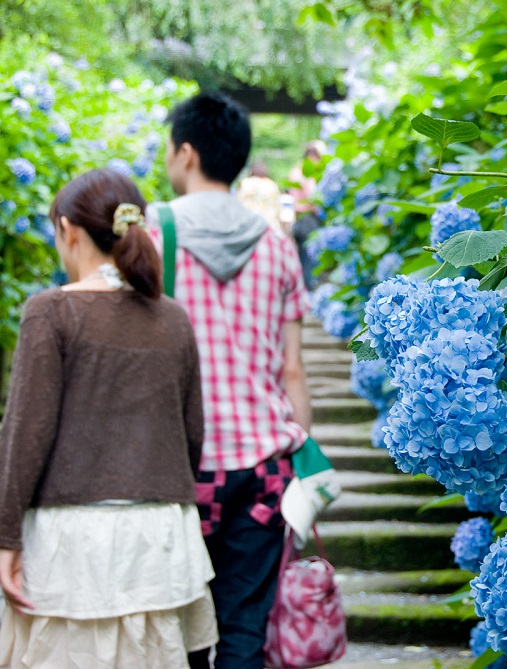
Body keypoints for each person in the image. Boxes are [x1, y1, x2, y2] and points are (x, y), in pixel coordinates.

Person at [0, 169, 216, 668]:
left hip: (71, 544)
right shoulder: (172, 317)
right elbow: (192, 436)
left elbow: (25, 435)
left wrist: (7, 534)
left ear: (67, 229)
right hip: (162, 538)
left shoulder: (50, 312)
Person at [147, 91, 313, 669]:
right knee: (245, 626)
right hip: (264, 465)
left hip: (178, 467)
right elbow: (293, 367)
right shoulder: (276, 245)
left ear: (186, 153)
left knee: (181, 625)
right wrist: (302, 458)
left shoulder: (150, 234)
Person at [287, 140, 325, 289]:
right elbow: (313, 196)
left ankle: (301, 291)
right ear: (315, 155)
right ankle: (307, 293)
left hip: (298, 220)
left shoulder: (295, 170)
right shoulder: (308, 172)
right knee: (310, 260)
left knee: (302, 258)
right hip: (309, 219)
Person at [237, 160, 282, 233]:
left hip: (249, 224)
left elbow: (239, 204)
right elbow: (277, 207)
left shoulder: (246, 183)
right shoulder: (271, 185)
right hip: (269, 224)